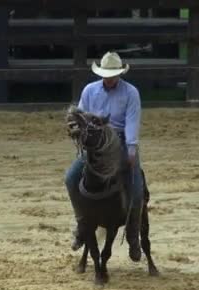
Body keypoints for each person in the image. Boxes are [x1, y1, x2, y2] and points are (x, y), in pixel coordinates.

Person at [65, 51, 144, 262]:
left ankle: (132, 235)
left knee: (136, 191)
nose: (109, 78)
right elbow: (80, 115)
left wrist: (131, 148)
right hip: (96, 143)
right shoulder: (90, 91)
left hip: (120, 141)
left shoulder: (131, 93)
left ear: (119, 74)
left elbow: (132, 122)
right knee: (71, 178)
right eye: (106, 74)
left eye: (113, 74)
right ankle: (82, 224)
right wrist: (75, 125)